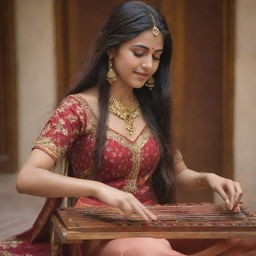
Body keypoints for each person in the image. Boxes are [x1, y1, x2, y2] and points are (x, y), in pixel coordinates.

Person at [0, 1, 255, 255]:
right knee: (152, 252)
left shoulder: (151, 107)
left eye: (156, 57)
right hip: (98, 224)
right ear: (112, 49)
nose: (148, 65)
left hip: (149, 218)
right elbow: (28, 178)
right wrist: (99, 189)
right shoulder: (77, 108)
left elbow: (178, 172)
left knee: (247, 241)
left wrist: (207, 178)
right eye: (139, 52)